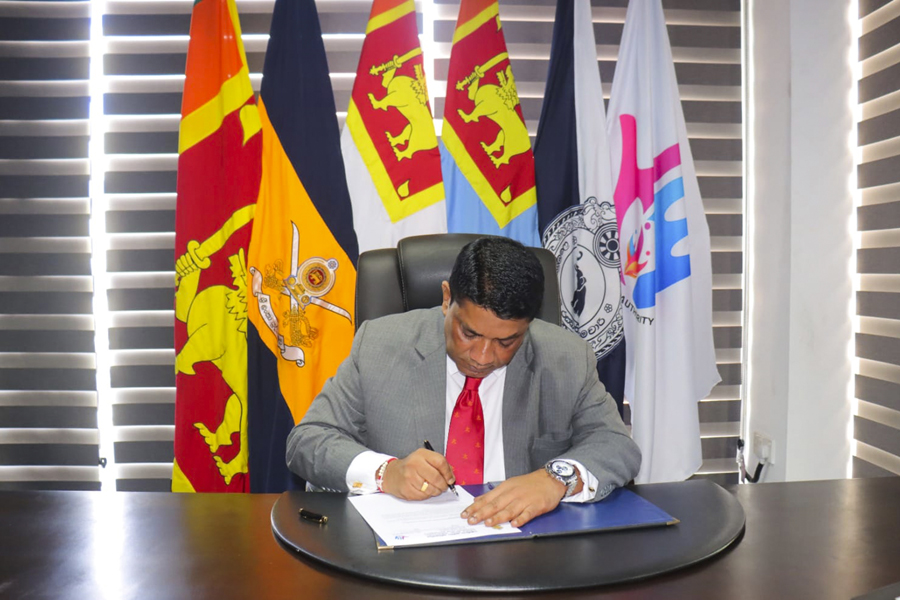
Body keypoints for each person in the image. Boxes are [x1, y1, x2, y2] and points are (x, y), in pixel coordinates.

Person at [286, 236, 640, 528]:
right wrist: (386, 473)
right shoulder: (379, 344)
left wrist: (556, 479)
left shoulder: (566, 357)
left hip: (522, 558)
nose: (483, 356)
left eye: (506, 341)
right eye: (469, 333)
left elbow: (615, 444)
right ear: (445, 300)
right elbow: (308, 441)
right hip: (405, 560)